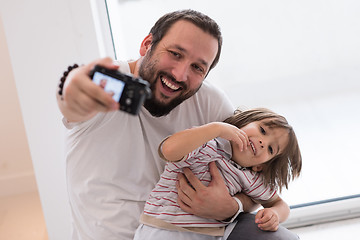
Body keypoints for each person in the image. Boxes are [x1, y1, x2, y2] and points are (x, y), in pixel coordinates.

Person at [57, 9, 300, 240]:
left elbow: (247, 172)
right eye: (175, 53)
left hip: (193, 231)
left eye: (197, 67)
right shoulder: (107, 88)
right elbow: (73, 98)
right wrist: (74, 88)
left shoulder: (210, 103)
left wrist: (232, 206)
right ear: (146, 44)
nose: (180, 74)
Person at [133, 108, 302, 240]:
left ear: (261, 166)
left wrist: (275, 215)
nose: (262, 142)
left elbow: (280, 205)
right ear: (246, 122)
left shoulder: (250, 178)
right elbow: (168, 150)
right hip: (161, 227)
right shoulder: (206, 144)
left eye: (271, 148)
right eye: (263, 131)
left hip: (210, 235)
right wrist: (216, 129)